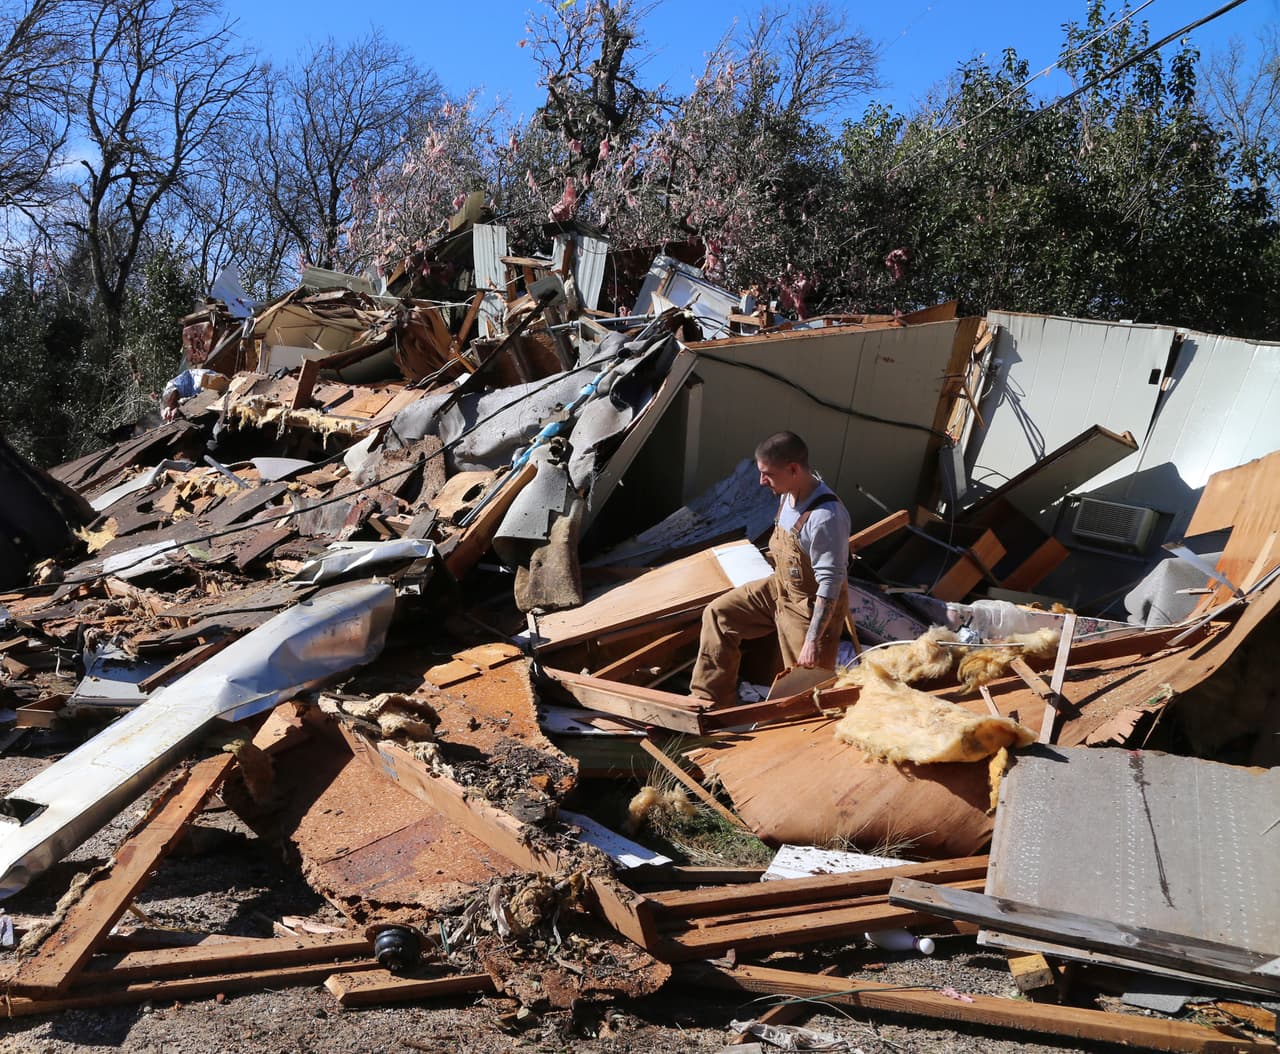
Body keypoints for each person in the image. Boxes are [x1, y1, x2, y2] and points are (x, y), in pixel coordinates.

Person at [689, 431, 851, 707]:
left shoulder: (825, 518)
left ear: (793, 469)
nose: (761, 481)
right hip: (779, 588)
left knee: (806, 694)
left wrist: (812, 640)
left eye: (768, 474)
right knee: (719, 615)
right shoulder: (786, 495)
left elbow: (829, 586)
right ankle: (709, 702)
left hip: (809, 607)